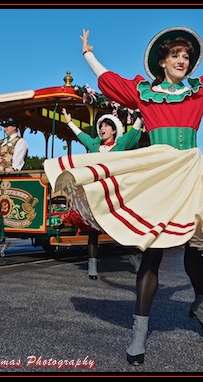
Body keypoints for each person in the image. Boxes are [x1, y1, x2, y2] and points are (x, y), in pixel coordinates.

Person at [44, 9, 203, 366]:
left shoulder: (199, 90)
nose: (182, 60)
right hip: (161, 173)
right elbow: (111, 81)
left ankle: (202, 301)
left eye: (186, 56)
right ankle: (140, 330)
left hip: (190, 171)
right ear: (162, 61)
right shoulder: (145, 93)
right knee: (153, 250)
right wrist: (88, 54)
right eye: (175, 55)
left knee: (193, 243)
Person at [61, 108, 143, 279]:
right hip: (96, 192)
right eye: (101, 125)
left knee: (121, 226)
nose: (103, 128)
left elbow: (135, 130)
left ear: (114, 130)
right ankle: (92, 264)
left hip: (114, 192)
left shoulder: (121, 145)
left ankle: (133, 257)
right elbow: (82, 137)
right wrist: (69, 122)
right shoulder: (94, 146)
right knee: (93, 230)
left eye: (107, 125)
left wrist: (141, 114)